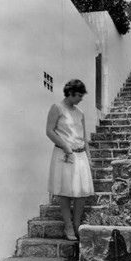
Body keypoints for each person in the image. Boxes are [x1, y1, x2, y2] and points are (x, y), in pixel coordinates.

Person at [46, 79, 94, 240]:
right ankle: (68, 226)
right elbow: (49, 131)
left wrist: (89, 155)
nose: (81, 99)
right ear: (70, 93)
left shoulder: (80, 113)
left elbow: (84, 136)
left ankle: (76, 224)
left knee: (81, 193)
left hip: (80, 155)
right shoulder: (57, 108)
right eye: (79, 95)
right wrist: (65, 146)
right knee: (64, 191)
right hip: (64, 155)